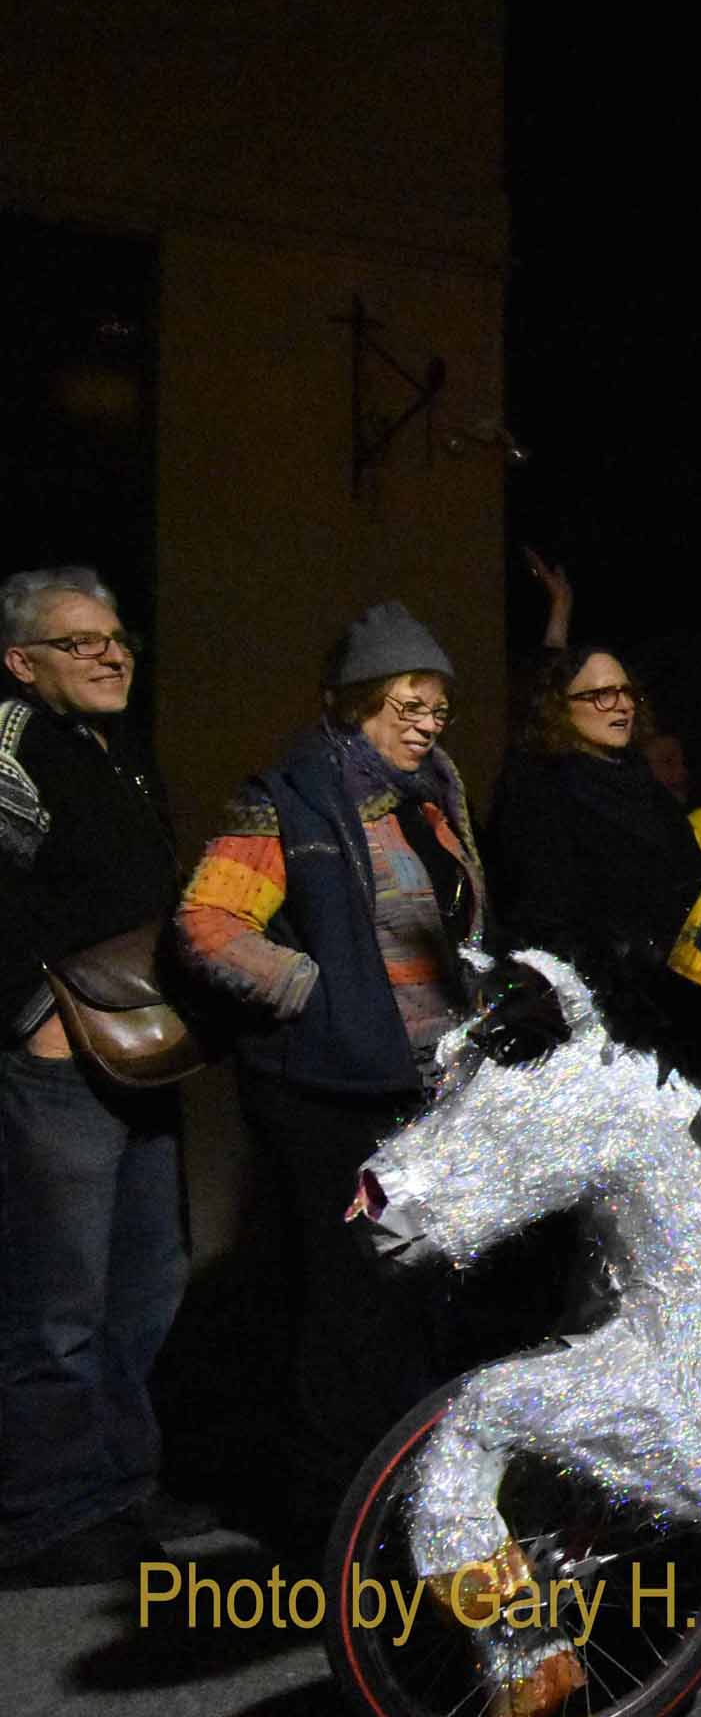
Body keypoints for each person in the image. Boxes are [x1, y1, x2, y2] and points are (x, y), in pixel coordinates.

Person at [174, 600, 489, 1547]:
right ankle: (324, 1519)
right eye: (405, 704)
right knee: (351, 1304)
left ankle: (398, 1500)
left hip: (428, 1088)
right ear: (354, 702)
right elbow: (207, 925)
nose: (426, 723)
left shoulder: (432, 795)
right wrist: (319, 993)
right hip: (332, 1095)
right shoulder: (293, 797)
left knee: (416, 1294)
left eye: (437, 705)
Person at [0, 569, 195, 1587]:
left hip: (139, 1058)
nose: (111, 654)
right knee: (58, 1301)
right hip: (64, 1064)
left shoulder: (112, 750)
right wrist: (31, 1017)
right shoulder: (14, 743)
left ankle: (117, 1489)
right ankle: (49, 1515)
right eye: (80, 642)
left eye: (117, 637)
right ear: (20, 663)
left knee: (144, 1287)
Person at [486, 645, 701, 966]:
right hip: (589, 984)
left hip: (672, 979)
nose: (624, 705)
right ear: (560, 706)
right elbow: (537, 912)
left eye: (626, 692)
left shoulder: (647, 787)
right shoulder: (537, 791)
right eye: (604, 694)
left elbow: (693, 882)